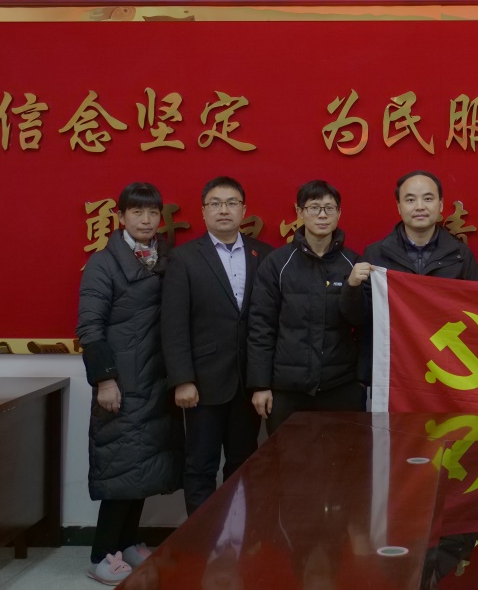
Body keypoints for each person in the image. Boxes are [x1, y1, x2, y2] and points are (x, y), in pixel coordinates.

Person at [78, 182, 183, 585]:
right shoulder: (103, 263)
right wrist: (105, 381)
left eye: (152, 212)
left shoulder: (165, 260)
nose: (145, 220)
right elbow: (90, 328)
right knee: (120, 467)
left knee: (143, 467)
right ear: (121, 217)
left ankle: (128, 543)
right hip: (122, 383)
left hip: (156, 381)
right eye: (136, 212)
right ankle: (101, 554)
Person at [161, 176, 274, 516]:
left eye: (231, 203)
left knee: (243, 463)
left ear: (243, 209)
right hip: (202, 383)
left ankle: (236, 533)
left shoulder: (263, 254)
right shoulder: (184, 258)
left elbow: (267, 320)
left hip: (247, 382)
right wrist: (183, 379)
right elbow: (173, 324)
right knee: (200, 465)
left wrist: (262, 379)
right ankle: (202, 540)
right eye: (215, 203)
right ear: (203, 211)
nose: (224, 210)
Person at [247, 180, 367, 434]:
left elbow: (362, 323)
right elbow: (261, 326)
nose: (322, 215)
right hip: (288, 390)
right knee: (288, 458)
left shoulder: (352, 264)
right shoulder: (277, 263)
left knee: (343, 456)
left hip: (341, 387)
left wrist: (361, 381)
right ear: (299, 212)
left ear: (339, 213)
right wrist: (260, 385)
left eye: (329, 208)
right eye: (314, 208)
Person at [363, 170, 478, 281]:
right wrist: (354, 286)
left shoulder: (461, 254)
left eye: (428, 199)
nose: (420, 207)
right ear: (399, 207)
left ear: (440, 205)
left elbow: (474, 296)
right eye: (410, 200)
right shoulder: (375, 254)